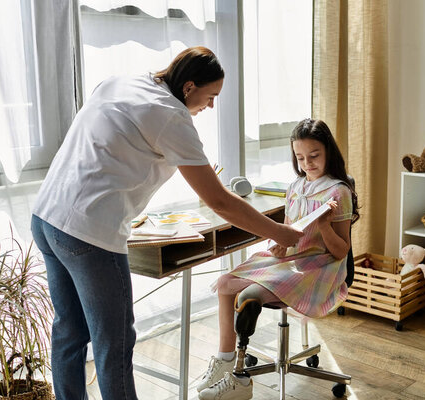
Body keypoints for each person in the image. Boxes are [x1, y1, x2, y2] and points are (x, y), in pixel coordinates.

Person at [30, 46, 302, 400]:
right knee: (115, 342)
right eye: (210, 96)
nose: (211, 105)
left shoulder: (122, 81)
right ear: (189, 87)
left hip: (47, 218)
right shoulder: (172, 116)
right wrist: (282, 232)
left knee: (70, 331)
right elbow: (219, 201)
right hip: (88, 233)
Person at [197, 118, 359, 400]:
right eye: (300, 157)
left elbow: (341, 251)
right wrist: (278, 246)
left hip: (319, 266)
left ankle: (240, 380)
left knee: (249, 294)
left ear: (328, 152)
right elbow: (286, 229)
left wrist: (323, 226)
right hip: (290, 261)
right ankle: (224, 360)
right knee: (224, 283)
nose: (307, 162)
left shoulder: (338, 192)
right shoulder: (295, 186)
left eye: (314, 156)